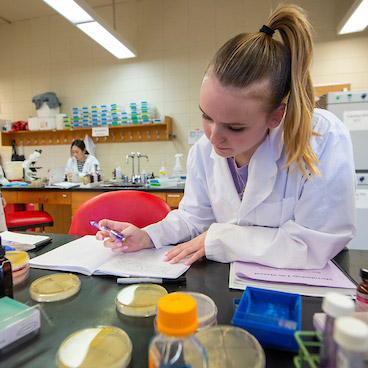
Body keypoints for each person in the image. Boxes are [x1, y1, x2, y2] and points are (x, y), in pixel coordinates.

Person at [96, 4, 356, 269]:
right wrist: (149, 235)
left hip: (303, 289)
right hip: (230, 283)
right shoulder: (202, 150)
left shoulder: (322, 137)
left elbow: (314, 244)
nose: (214, 137)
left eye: (235, 127)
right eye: (206, 116)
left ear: (276, 116)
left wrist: (223, 239)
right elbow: (194, 217)